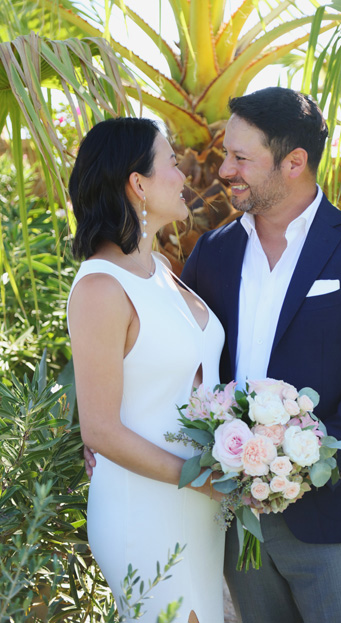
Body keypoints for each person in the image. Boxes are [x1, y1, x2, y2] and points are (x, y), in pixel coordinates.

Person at [179, 87, 341, 622]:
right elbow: (179, 356)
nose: (223, 169)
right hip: (236, 515)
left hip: (329, 513)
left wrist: (313, 461)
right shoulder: (211, 252)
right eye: (225, 154)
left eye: (241, 157)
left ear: (294, 162)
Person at [68, 118, 226, 622]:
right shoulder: (100, 288)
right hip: (146, 506)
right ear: (138, 183)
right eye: (172, 164)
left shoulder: (158, 271)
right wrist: (199, 478)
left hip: (198, 506)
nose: (185, 177)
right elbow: (100, 428)